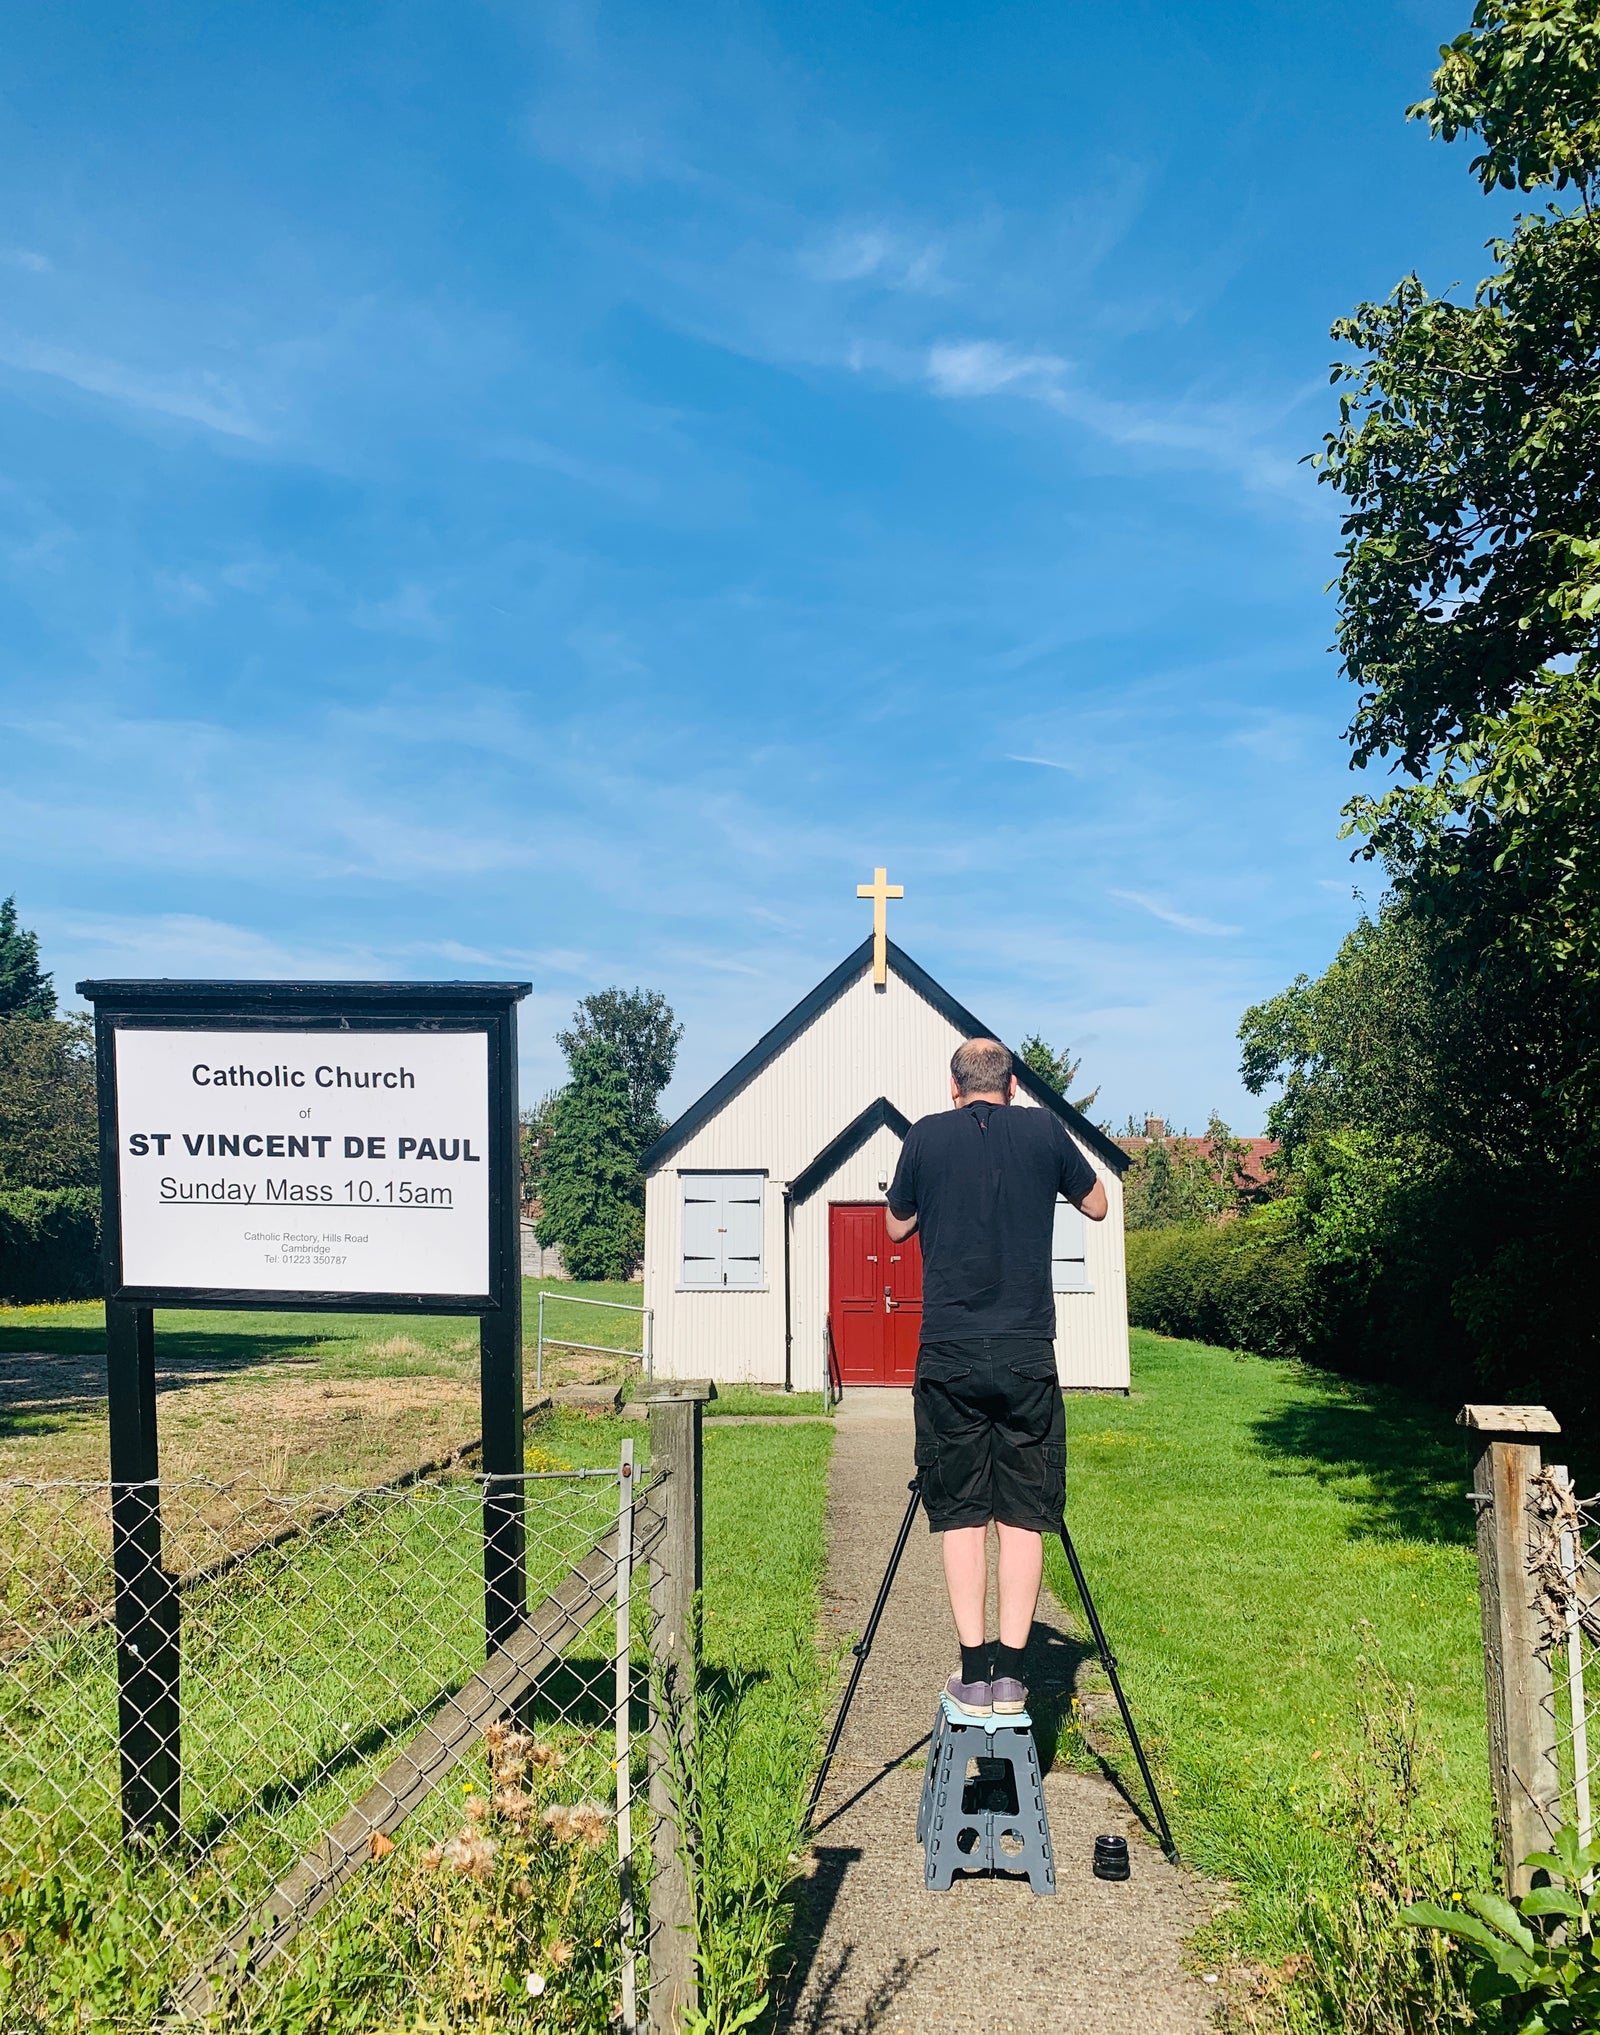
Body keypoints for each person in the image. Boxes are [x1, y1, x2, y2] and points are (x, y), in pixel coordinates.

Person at [885, 1037, 1107, 1718]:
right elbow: (1096, 1203)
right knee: (1023, 1515)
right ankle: (1012, 1677)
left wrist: (933, 1199)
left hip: (949, 1351)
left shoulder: (925, 1137)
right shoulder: (1043, 1128)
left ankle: (973, 1669)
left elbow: (896, 1227)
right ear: (1010, 1085)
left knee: (961, 1512)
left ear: (954, 1086)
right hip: (1024, 1350)